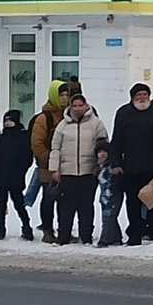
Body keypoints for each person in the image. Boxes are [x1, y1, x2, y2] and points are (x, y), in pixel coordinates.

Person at [111, 83, 153, 245]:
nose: (142, 98)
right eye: (138, 95)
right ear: (132, 97)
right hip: (131, 167)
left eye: (144, 95)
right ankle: (135, 233)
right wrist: (116, 163)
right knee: (132, 203)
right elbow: (117, 140)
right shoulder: (123, 113)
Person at [51, 93, 109, 246]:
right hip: (67, 172)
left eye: (80, 105)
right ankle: (63, 235)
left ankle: (86, 235)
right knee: (66, 206)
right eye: (74, 106)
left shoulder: (96, 124)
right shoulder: (62, 125)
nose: (77, 109)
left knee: (86, 205)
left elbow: (103, 143)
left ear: (86, 106)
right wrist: (54, 169)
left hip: (88, 172)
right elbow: (55, 148)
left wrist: (100, 161)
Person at [30, 81, 69, 244]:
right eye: (61, 95)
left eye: (67, 95)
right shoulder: (44, 118)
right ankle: (47, 229)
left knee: (64, 199)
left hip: (67, 165)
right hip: (48, 166)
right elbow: (36, 144)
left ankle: (63, 229)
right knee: (49, 198)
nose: (65, 99)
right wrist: (51, 160)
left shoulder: (69, 115)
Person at [0, 110, 34, 240]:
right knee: (0, 204)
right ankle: (0, 228)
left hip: (15, 177)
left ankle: (26, 227)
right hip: (1, 177)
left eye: (10, 121)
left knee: (19, 204)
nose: (8, 124)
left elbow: (28, 157)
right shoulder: (1, 137)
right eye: (6, 121)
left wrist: (21, 170)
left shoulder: (23, 136)